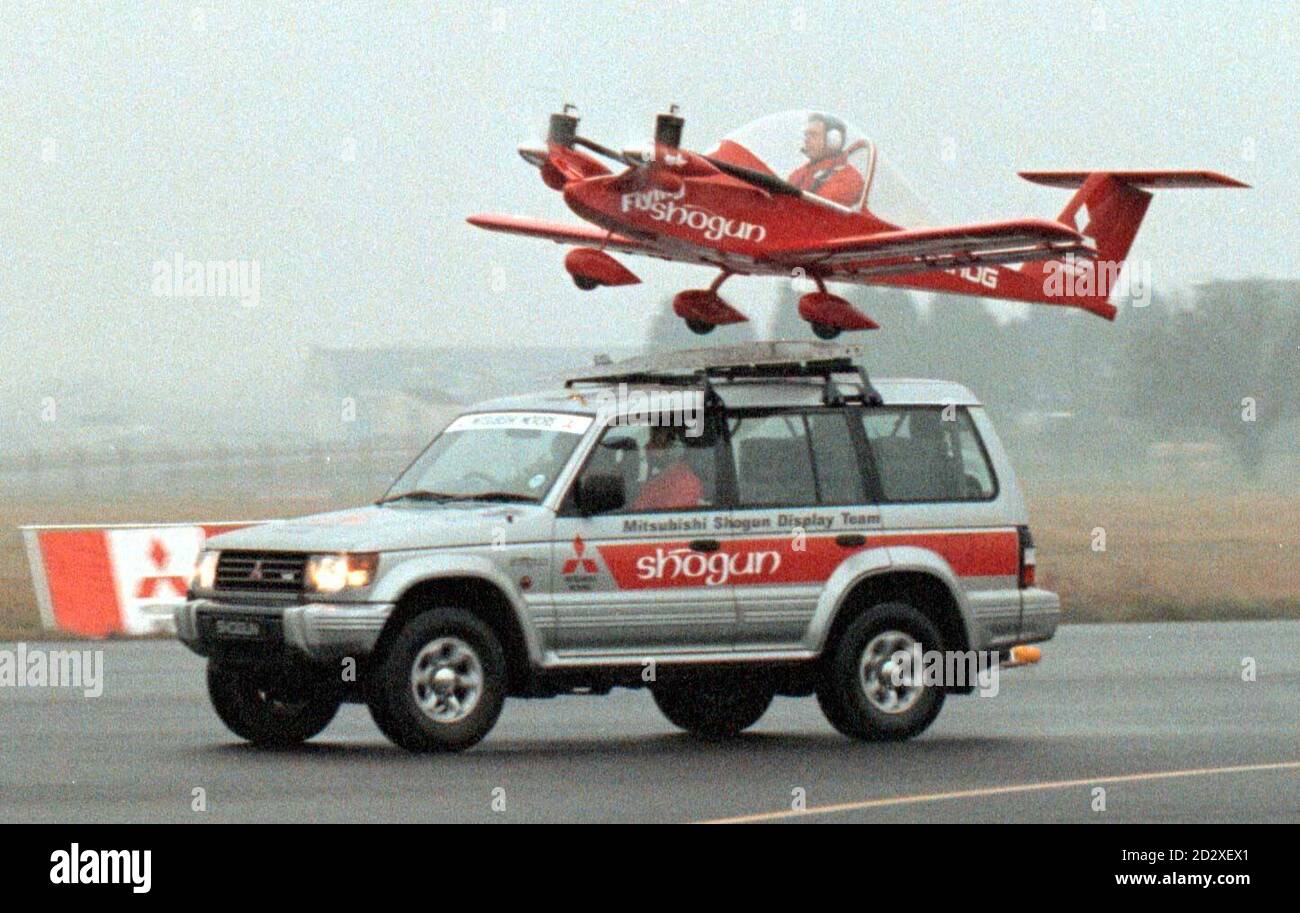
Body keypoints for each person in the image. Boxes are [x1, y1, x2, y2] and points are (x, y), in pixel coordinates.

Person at [787, 113, 865, 208]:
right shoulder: (800, 173)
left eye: (813, 135)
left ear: (833, 141)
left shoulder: (849, 178)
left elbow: (816, 210)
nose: (806, 140)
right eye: (806, 135)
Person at [630, 425, 705, 511]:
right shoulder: (659, 480)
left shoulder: (685, 482)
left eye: (655, 442)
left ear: (674, 448)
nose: (647, 446)